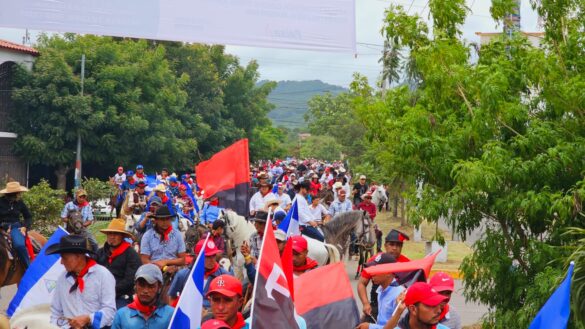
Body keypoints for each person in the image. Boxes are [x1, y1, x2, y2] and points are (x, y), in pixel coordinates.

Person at [47, 235, 116, 329]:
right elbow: (56, 311)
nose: (61, 262)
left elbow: (110, 311)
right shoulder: (62, 279)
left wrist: (88, 319)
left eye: (65, 258)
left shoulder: (103, 275)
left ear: (78, 257)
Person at [358, 229, 411, 322]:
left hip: (398, 307)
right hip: (375, 306)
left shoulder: (408, 264)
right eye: (391, 244)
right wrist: (366, 303)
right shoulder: (375, 261)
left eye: (398, 245)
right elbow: (361, 283)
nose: (394, 248)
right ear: (385, 245)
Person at [168, 239, 229, 308]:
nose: (212, 259)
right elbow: (172, 297)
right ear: (198, 256)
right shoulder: (183, 275)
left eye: (214, 255)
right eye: (208, 256)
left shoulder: (224, 276)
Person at [96, 218, 142, 308]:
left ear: (122, 236)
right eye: (110, 233)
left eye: (116, 234)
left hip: (120, 295)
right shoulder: (99, 252)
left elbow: (130, 280)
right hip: (98, 294)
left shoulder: (131, 254)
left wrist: (109, 291)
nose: (112, 236)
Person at [111, 264, 174, 329]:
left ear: (159, 287)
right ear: (135, 285)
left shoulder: (171, 315)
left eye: (151, 286)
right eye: (141, 285)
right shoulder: (121, 315)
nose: (145, 291)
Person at [355, 253, 404, 329]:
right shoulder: (381, 290)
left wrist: (370, 327)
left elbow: (399, 327)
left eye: (376, 269)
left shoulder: (399, 295)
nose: (371, 273)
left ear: (388, 272)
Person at [140, 206, 186, 271]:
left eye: (167, 219)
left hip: (174, 268)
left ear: (170, 220)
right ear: (156, 220)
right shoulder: (148, 235)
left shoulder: (177, 234)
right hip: (153, 269)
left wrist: (166, 262)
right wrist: (160, 267)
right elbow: (144, 260)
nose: (165, 222)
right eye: (162, 219)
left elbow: (183, 260)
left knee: (183, 273)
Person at [0, 181, 32, 268]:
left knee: (19, 245)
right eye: (17, 193)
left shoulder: (20, 203)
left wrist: (25, 227)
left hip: (15, 228)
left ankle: (29, 269)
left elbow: (28, 217)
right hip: (1, 228)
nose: (18, 195)